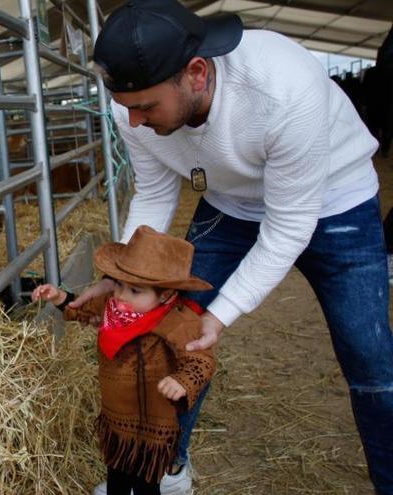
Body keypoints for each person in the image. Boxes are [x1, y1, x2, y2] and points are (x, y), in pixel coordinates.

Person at [83, 0, 393, 493]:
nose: (135, 122)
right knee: (172, 332)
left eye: (146, 107)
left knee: (369, 360)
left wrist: (220, 313)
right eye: (127, 106)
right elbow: (157, 190)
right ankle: (167, 468)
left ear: (197, 73)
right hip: (230, 204)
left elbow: (290, 226)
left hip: (337, 202)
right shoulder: (133, 107)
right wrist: (126, 274)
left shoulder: (284, 88)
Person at [32, 226, 215, 495]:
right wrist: (59, 298)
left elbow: (201, 359)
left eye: (135, 290)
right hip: (117, 421)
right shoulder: (112, 307)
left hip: (151, 426)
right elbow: (83, 311)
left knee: (145, 484)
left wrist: (183, 381)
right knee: (116, 478)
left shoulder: (177, 320)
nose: (120, 295)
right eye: (118, 284)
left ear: (165, 295)